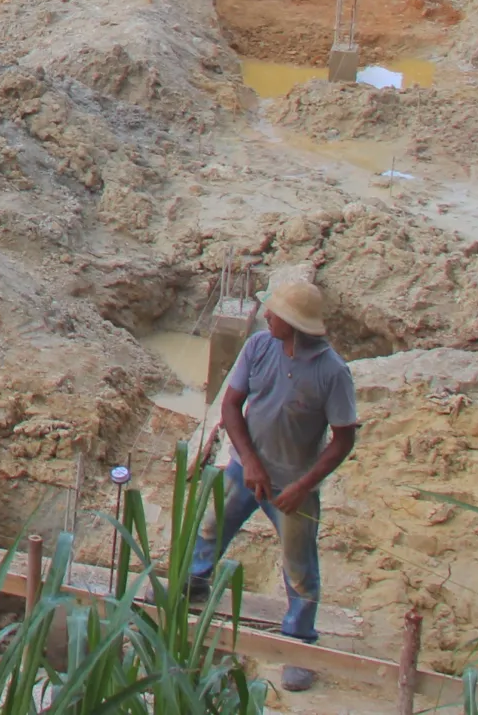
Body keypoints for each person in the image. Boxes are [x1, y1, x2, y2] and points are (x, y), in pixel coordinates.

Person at [191, 280, 360, 691]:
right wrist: (248, 460)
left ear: (295, 324)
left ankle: (299, 644)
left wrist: (303, 486)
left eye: (274, 313)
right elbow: (231, 405)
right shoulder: (258, 347)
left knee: (299, 569)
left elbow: (343, 439)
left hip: (292, 487)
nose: (266, 316)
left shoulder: (331, 372)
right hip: (245, 471)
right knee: (209, 527)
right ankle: (194, 583)